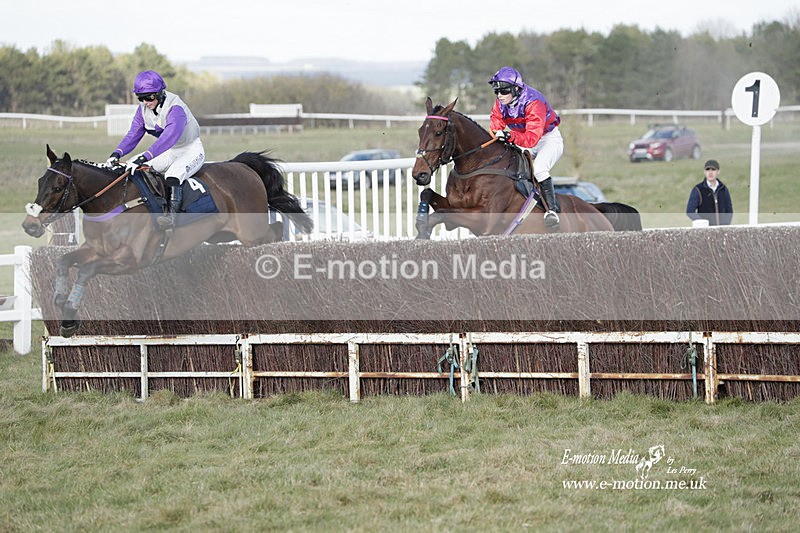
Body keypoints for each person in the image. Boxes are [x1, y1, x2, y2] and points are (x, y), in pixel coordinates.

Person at [106, 70, 205, 230]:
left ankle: (171, 219)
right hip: (170, 151)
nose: (145, 102)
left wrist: (145, 156)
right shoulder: (143, 110)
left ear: (160, 93)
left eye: (149, 97)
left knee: (173, 175)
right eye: (141, 98)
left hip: (190, 150)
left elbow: (169, 138)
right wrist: (116, 153)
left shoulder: (176, 109)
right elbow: (134, 134)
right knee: (134, 167)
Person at [488, 66, 564, 229]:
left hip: (547, 139)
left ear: (516, 88)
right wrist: (498, 133)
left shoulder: (534, 102)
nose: (500, 96)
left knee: (539, 169)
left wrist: (509, 135)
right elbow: (495, 120)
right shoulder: (501, 101)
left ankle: (552, 210)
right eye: (497, 91)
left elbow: (531, 139)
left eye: (504, 91)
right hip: (522, 138)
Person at [686, 159, 733, 226]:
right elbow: (690, 211)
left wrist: (725, 226)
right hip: (705, 232)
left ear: (718, 172)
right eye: (708, 169)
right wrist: (703, 223)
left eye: (713, 169)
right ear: (704, 172)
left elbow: (729, 211)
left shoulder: (724, 189)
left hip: (722, 232)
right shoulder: (698, 190)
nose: (710, 172)